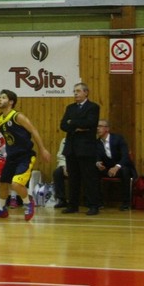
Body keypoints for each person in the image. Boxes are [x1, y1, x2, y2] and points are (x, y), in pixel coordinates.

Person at [0, 90, 52, 221]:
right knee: (3, 183)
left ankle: (28, 203)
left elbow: (33, 130)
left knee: (16, 184)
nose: (0, 99)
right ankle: (1, 209)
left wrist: (42, 149)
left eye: (3, 97)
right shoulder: (1, 119)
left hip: (25, 156)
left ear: (11, 102)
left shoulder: (17, 116)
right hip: (11, 157)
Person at [60, 82, 102, 215]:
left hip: (86, 148)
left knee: (89, 178)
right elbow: (63, 125)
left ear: (86, 92)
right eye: (74, 91)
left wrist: (72, 122)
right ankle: (73, 205)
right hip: (71, 148)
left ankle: (93, 205)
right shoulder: (70, 107)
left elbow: (90, 123)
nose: (75, 94)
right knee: (73, 178)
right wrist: (77, 126)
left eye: (78, 91)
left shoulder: (93, 107)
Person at [96, 120, 137, 211]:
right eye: (97, 126)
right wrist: (98, 163)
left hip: (121, 166)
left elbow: (125, 156)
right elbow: (97, 157)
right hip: (107, 168)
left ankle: (126, 203)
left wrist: (117, 167)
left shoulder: (118, 139)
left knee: (125, 171)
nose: (97, 128)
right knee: (93, 171)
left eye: (100, 126)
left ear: (107, 128)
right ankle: (98, 202)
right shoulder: (97, 142)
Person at [51, 138, 68, 209]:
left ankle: (87, 199)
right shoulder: (65, 140)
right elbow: (61, 155)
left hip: (81, 165)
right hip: (67, 165)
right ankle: (61, 199)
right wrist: (64, 166)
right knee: (57, 173)